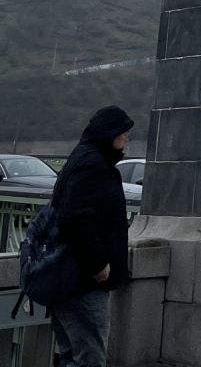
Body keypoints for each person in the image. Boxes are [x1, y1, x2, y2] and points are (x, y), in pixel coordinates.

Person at [49, 105, 134, 367]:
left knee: (71, 356)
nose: (127, 138)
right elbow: (76, 218)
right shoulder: (94, 165)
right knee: (90, 357)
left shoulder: (83, 158)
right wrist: (99, 266)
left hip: (69, 277)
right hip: (83, 282)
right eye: (124, 132)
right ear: (110, 134)